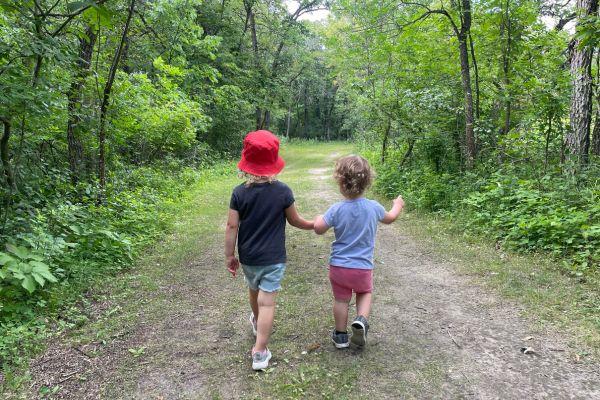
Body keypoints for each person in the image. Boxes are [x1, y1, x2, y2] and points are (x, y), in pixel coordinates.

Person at [225, 130, 314, 370]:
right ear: (274, 162)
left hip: (249, 257)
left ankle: (257, 323)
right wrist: (314, 224)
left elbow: (232, 225)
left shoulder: (238, 193)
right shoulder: (283, 191)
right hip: (273, 258)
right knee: (268, 303)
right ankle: (260, 350)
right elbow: (295, 220)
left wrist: (229, 255)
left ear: (247, 163)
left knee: (255, 292)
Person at [314, 155, 404, 348]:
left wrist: (318, 217)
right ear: (367, 181)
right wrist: (397, 205)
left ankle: (340, 336)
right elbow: (390, 218)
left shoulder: (336, 209)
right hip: (362, 266)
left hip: (339, 267)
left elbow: (319, 228)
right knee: (364, 292)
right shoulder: (374, 207)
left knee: (341, 300)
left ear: (340, 181)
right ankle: (361, 320)